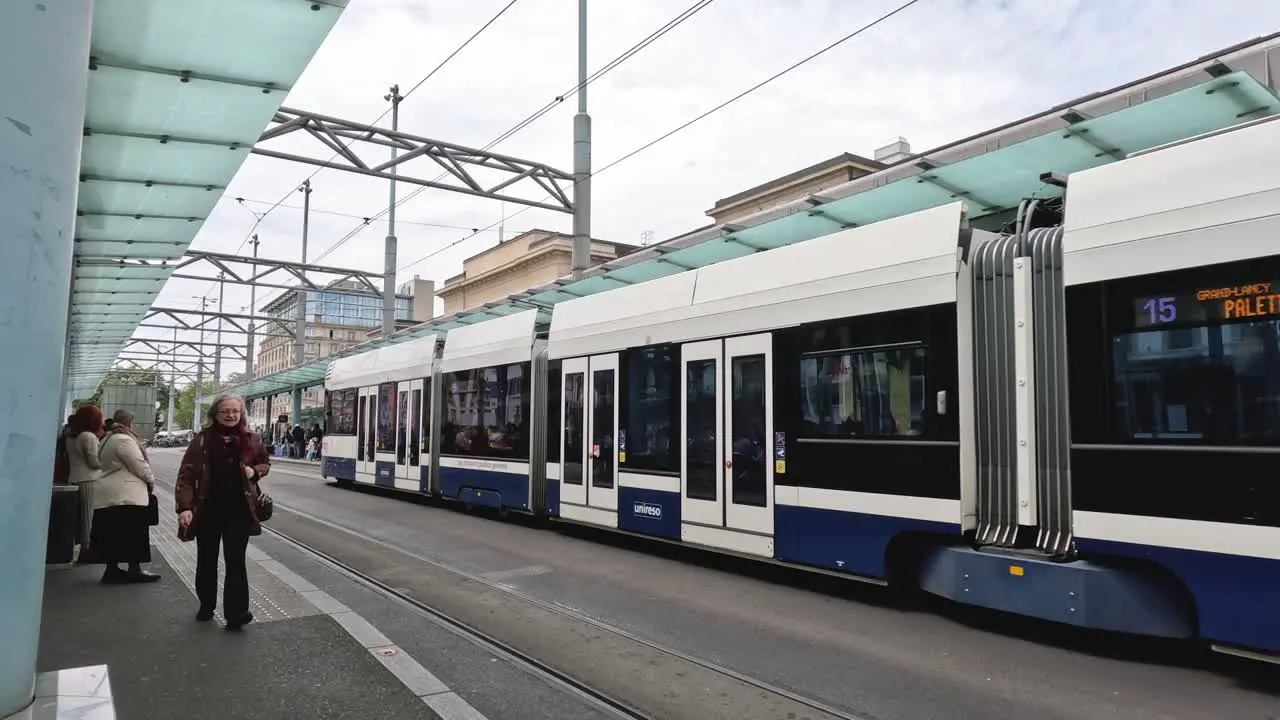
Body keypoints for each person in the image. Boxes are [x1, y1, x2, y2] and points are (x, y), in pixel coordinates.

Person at [175, 393, 271, 630]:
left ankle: (236, 613)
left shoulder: (251, 438)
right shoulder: (202, 440)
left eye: (235, 411)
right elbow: (186, 475)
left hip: (239, 510)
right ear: (215, 414)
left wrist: (254, 471)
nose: (230, 415)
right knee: (207, 561)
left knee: (236, 562)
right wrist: (185, 507)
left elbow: (265, 462)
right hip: (208, 510)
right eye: (225, 411)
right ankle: (207, 605)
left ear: (241, 414)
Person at [92, 410, 160, 584]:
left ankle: (112, 570)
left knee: (114, 533)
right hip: (126, 493)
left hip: (112, 492)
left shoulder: (107, 438)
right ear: (129, 422)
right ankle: (134, 570)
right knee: (134, 533)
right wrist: (151, 480)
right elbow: (138, 464)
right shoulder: (123, 440)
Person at [66, 405, 104, 562]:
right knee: (89, 516)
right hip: (89, 479)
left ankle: (84, 548)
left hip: (74, 478)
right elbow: (94, 462)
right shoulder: (88, 437)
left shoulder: (70, 436)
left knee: (80, 517)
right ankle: (87, 550)